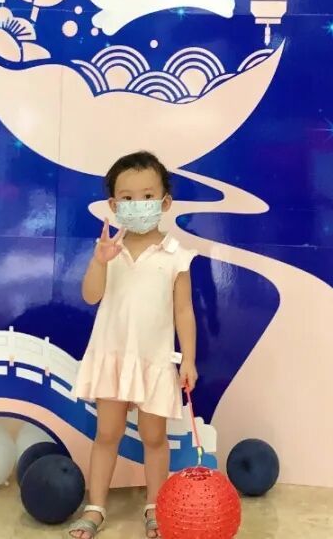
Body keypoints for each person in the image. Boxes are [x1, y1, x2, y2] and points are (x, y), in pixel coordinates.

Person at [67, 151, 199, 539]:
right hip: (113, 356)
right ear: (113, 205)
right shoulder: (109, 250)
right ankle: (95, 508)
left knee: (154, 438)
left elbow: (184, 312)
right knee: (107, 434)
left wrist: (189, 360)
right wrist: (100, 261)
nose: (137, 204)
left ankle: (156, 507)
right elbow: (91, 296)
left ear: (165, 202)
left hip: (153, 360)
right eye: (127, 197)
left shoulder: (176, 256)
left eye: (147, 196)